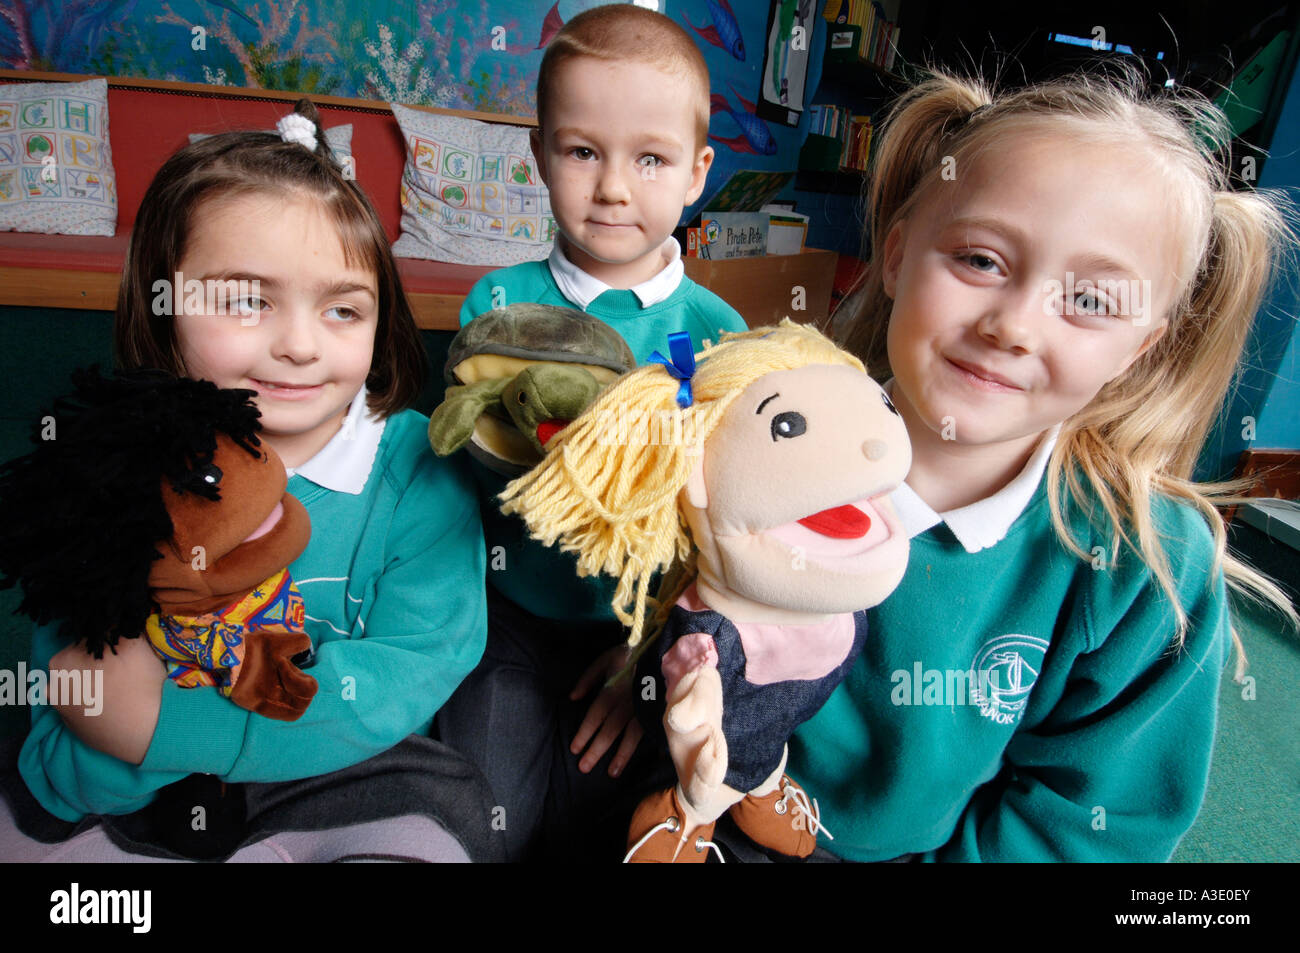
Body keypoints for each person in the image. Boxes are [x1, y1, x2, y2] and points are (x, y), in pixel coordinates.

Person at [781, 66, 1299, 862]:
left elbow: (1088, 827)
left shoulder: (1144, 563)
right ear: (895, 257)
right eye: (981, 259)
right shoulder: (761, 439)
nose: (1014, 326)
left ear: (1140, 350)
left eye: (1091, 302)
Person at [0, 100, 495, 862]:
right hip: (139, 790)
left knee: (432, 826)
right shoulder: (114, 465)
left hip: (341, 779)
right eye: (245, 300)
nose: (298, 344)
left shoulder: (415, 468)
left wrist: (165, 724)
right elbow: (73, 696)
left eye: (341, 308)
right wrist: (114, 741)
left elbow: (408, 672)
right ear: (165, 308)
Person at [435, 4, 748, 860]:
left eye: (650, 158)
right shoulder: (498, 306)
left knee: (607, 820)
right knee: (482, 810)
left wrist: (647, 649)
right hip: (505, 612)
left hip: (643, 625)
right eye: (582, 151)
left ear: (696, 173)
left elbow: (713, 516)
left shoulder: (712, 333)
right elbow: (468, 476)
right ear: (540, 155)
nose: (613, 186)